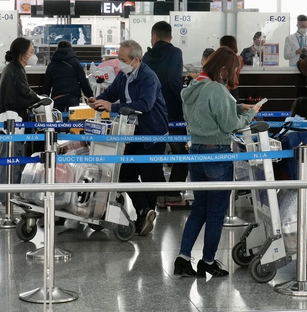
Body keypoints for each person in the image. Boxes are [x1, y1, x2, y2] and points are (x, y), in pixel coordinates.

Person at [173, 47, 263, 278]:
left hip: (196, 152)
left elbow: (206, 111)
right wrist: (251, 112)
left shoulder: (194, 86)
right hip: (217, 154)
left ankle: (183, 259)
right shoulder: (217, 89)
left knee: (199, 209)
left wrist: (235, 107)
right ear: (223, 69)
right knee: (215, 212)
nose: (234, 75)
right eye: (234, 71)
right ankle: (208, 261)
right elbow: (230, 125)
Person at [89, 40, 168, 236]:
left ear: (136, 60)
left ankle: (144, 218)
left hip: (152, 133)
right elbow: (111, 93)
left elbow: (145, 105)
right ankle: (144, 211)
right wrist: (98, 100)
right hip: (133, 132)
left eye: (123, 60)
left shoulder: (148, 77)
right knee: (125, 173)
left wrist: (113, 107)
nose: (119, 63)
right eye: (119, 59)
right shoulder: (123, 76)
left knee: (149, 178)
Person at [0, 37, 41, 228]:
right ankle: (7, 203)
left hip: (8, 122)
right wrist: (40, 100)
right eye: (31, 51)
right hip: (11, 124)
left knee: (10, 160)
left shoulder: (12, 69)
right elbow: (23, 94)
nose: (33, 54)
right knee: (11, 161)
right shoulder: (15, 71)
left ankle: (9, 202)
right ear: (22, 54)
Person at [142, 21, 188, 208]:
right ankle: (174, 195)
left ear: (154, 36)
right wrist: (186, 101)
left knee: (155, 156)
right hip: (174, 113)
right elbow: (174, 81)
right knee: (181, 155)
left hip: (153, 113)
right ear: (170, 37)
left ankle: (160, 195)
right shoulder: (175, 52)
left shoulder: (146, 56)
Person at [42, 41, 93, 113]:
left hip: (57, 95)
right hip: (73, 95)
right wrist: (89, 95)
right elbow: (83, 80)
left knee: (59, 118)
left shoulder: (52, 64)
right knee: (73, 117)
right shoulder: (75, 62)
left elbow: (47, 83)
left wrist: (44, 98)